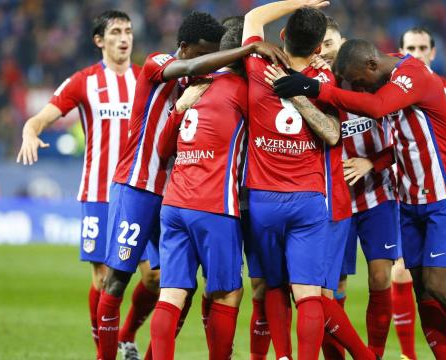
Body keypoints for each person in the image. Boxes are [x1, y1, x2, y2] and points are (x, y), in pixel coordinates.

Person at [272, 38, 446, 360]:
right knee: (423, 292)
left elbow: (376, 107)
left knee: (439, 283)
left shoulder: (412, 74)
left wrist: (312, 88)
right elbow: (398, 143)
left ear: (372, 66)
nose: (361, 90)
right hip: (409, 197)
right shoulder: (381, 72)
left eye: (360, 82)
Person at [96, 11, 288, 360]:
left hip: (173, 192)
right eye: (201, 55)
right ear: (184, 47)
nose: (205, 64)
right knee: (116, 281)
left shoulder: (201, 82)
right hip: (137, 187)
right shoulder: (161, 63)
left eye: (211, 56)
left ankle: (148, 350)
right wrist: (247, 51)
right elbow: (187, 69)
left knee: (169, 285)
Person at [244, 1, 377, 359]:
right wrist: (303, 97)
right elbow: (333, 135)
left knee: (272, 285)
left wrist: (301, 1)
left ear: (283, 36)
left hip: (262, 200)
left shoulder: (256, 65)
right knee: (309, 293)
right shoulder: (324, 79)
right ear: (320, 49)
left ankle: (282, 355)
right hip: (308, 201)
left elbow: (253, 17)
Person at [16, 10, 142, 358]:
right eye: (115, 31)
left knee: (154, 278)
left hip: (138, 193)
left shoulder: (146, 79)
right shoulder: (83, 81)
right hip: (99, 193)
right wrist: (30, 132)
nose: (124, 38)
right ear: (99, 40)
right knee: (103, 280)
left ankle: (127, 335)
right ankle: (105, 353)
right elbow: (41, 117)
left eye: (128, 31)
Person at [150, 23, 248, 360]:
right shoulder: (243, 89)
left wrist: (178, 111)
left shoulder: (195, 84)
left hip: (174, 203)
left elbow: (163, 150)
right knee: (226, 293)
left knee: (171, 295)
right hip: (214, 205)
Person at [317, 17, 400, 359]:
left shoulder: (375, 81)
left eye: (330, 42)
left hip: (378, 194)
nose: (324, 50)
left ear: (343, 42)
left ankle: (375, 354)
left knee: (381, 278)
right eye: (318, 44)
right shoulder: (317, 88)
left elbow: (407, 140)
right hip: (333, 202)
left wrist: (373, 162)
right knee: (329, 289)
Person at [394, 26, 446, 359]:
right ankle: (407, 353)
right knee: (405, 273)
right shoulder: (392, 89)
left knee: (441, 281)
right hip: (405, 191)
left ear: (433, 52)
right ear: (401, 52)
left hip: (445, 193)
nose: (416, 53)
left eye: (422, 48)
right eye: (409, 48)